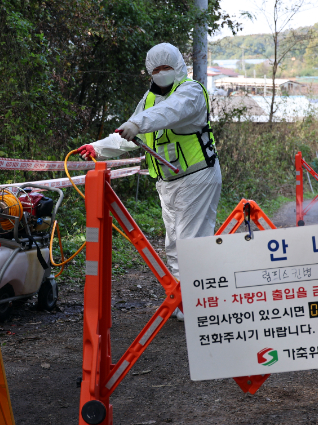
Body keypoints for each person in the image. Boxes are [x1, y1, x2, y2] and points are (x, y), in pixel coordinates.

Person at [77, 43, 222, 321]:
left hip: (197, 178)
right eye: (155, 69)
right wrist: (97, 147)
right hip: (167, 182)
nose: (161, 73)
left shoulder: (191, 92)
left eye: (166, 67)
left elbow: (167, 114)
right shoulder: (149, 99)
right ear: (149, 72)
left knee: (192, 244)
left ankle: (202, 305)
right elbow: (129, 132)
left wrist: (138, 124)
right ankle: (186, 302)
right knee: (175, 244)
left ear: (179, 66)